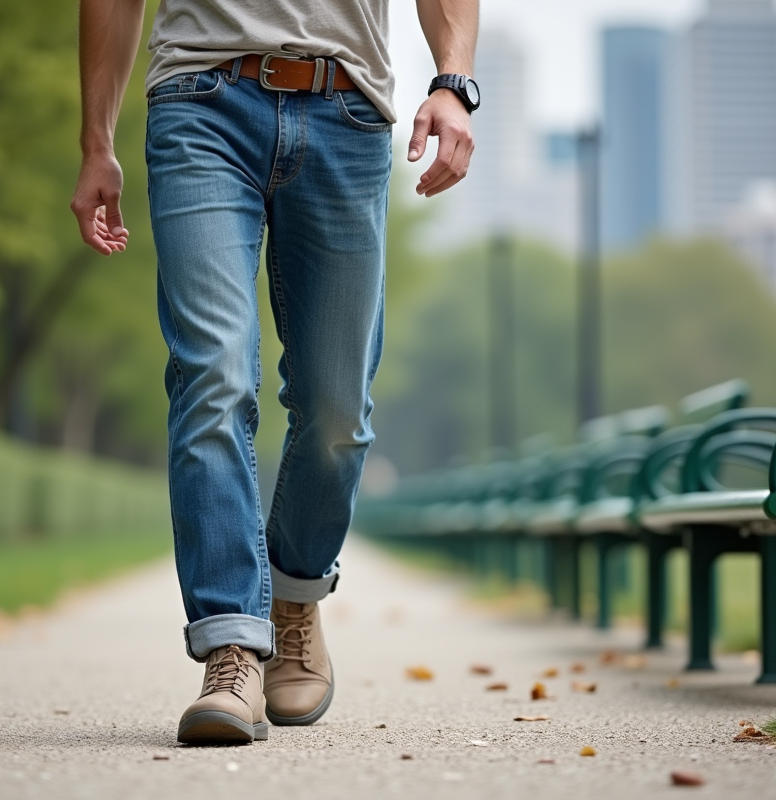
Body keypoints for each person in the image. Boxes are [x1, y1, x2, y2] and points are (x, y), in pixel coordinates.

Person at [71, 0, 479, 745]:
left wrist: (453, 82)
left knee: (337, 414)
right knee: (214, 374)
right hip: (201, 104)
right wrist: (97, 140)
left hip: (346, 113)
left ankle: (294, 594)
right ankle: (230, 646)